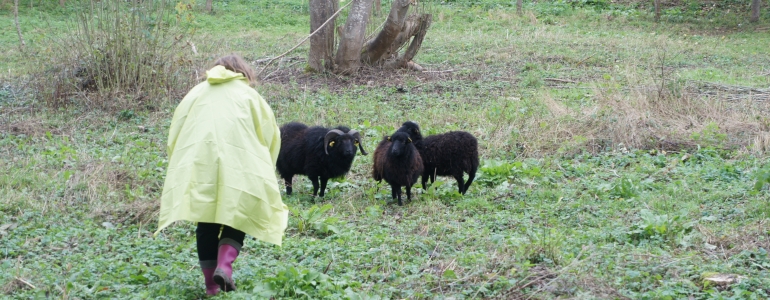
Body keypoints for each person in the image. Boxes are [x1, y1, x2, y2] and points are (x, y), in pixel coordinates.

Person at [154, 54, 287, 295]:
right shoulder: (249, 96)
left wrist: (178, 161)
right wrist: (266, 164)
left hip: (200, 165)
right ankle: (224, 266)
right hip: (240, 164)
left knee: (206, 222)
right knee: (240, 215)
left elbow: (176, 129)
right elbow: (270, 135)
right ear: (243, 72)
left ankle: (211, 286)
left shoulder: (195, 93)